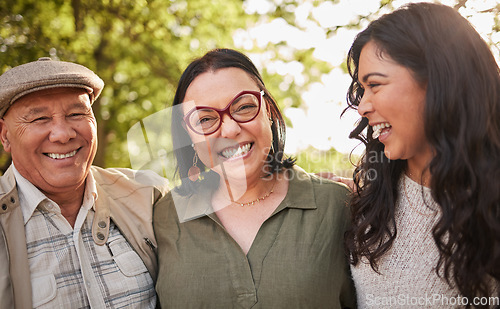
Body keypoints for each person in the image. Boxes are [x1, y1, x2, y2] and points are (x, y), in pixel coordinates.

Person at [153, 48, 356, 308]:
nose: (229, 128)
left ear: (268, 110)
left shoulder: (338, 206)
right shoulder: (161, 218)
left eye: (244, 107)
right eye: (204, 119)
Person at [343, 2, 499, 308]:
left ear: (440, 81)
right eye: (362, 89)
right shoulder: (369, 200)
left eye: (375, 84)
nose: (362, 106)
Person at [0, 58, 169, 308]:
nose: (63, 134)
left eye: (77, 113)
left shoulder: (149, 196)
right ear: (5, 136)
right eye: (39, 119)